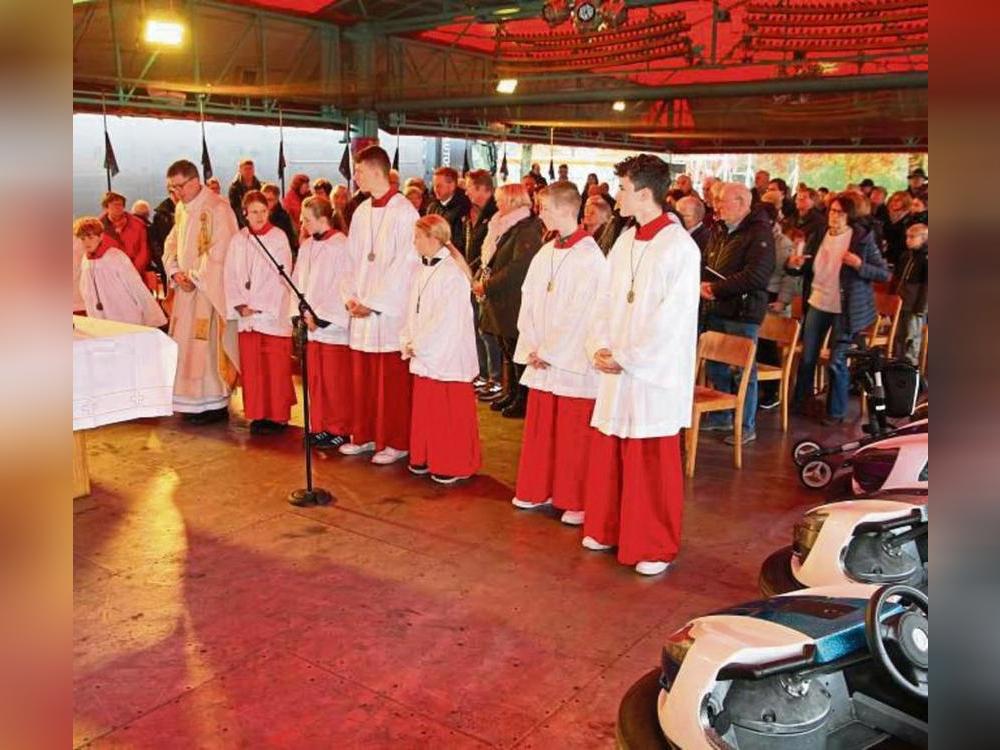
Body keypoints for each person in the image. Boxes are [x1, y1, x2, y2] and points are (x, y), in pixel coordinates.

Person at [582, 154, 700, 576]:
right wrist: (597, 345)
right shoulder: (626, 241)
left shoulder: (680, 248)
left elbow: (674, 320)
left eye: (623, 189)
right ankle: (609, 527)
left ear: (645, 194)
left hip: (651, 375)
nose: (616, 197)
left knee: (648, 460)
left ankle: (651, 543)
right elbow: (604, 299)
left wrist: (629, 358)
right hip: (618, 366)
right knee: (613, 450)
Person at [509, 182, 607, 526]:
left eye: (545, 208)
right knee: (542, 429)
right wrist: (533, 345)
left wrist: (550, 350)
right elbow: (529, 298)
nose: (541, 213)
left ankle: (574, 498)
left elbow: (583, 314)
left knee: (572, 435)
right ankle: (540, 488)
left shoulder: (591, 258)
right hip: (543, 356)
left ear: (567, 210)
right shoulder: (546, 251)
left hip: (570, 362)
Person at [338, 145, 421, 465]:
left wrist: (374, 302)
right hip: (361, 309)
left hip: (387, 314)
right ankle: (365, 434)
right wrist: (351, 297)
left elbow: (407, 264)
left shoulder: (404, 212)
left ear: (375, 171)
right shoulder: (360, 211)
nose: (354, 177)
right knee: (363, 380)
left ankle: (396, 440)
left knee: (391, 383)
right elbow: (350, 260)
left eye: (357, 171)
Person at [790, 193, 890, 424]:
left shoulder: (861, 239)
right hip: (818, 300)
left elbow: (884, 273)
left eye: (840, 212)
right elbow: (806, 267)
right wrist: (794, 265)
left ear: (850, 216)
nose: (834, 216)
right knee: (808, 357)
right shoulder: (819, 235)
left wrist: (859, 265)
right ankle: (801, 401)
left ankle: (835, 411)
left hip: (845, 308)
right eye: (832, 211)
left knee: (837, 361)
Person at [400, 214, 481, 484]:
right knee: (429, 409)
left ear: (434, 239)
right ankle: (426, 454)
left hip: (445, 354)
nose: (414, 243)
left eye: (417, 237)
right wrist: (408, 338)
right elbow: (413, 309)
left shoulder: (452, 274)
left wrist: (420, 345)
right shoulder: (424, 269)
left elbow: (447, 319)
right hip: (425, 350)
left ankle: (452, 461)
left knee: (448, 411)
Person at [162, 159, 241, 423]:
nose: (176, 193)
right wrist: (174, 271)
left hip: (208, 291)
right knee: (186, 347)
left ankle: (213, 403)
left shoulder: (218, 208)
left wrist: (194, 276)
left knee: (205, 348)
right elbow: (171, 243)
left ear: (195, 181)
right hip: (186, 291)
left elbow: (222, 250)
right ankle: (191, 402)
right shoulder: (182, 209)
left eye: (179, 186)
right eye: (171, 188)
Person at [700, 183, 775, 445]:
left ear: (743, 203)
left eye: (723, 201)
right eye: (717, 200)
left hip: (743, 310)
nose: (717, 206)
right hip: (718, 308)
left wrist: (717, 288)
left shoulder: (759, 233)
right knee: (716, 366)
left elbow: (757, 275)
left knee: (743, 372)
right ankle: (720, 415)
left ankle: (745, 424)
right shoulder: (721, 230)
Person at [223, 191, 295, 435]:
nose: (259, 216)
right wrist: (240, 303)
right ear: (245, 213)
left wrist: (260, 304)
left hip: (270, 313)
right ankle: (258, 412)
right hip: (247, 315)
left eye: (263, 211)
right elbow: (230, 275)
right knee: (253, 367)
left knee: (275, 367)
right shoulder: (238, 240)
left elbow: (281, 276)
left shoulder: (278, 237)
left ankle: (278, 415)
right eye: (254, 212)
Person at [474, 183, 544, 418]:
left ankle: (522, 398)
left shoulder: (526, 228)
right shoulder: (504, 225)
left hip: (513, 299)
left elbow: (518, 267)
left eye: (501, 200)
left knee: (517, 350)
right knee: (507, 349)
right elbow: (491, 260)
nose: (497, 204)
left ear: (513, 202)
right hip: (500, 299)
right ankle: (511, 391)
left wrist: (488, 284)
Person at [290, 195, 354, 453]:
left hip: (332, 328)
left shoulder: (341, 246)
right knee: (316, 381)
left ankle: (339, 429)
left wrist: (322, 318)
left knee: (335, 382)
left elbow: (343, 284)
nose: (303, 224)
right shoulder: (307, 246)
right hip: (312, 325)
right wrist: (301, 309)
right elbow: (297, 280)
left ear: (322, 218)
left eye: (306, 219)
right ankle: (320, 425)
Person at [75, 217, 166, 328]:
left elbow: (135, 285)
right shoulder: (86, 260)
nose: (86, 242)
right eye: (82, 238)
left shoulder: (115, 256)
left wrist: (151, 314)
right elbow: (86, 290)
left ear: (101, 236)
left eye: (90, 237)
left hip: (123, 311)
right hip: (100, 315)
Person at [460, 170, 501, 396]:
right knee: (477, 328)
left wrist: (476, 273)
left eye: (470, 187)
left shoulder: (494, 215)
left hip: (486, 281)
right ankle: (484, 374)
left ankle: (494, 378)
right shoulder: (475, 213)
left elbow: (490, 253)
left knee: (487, 331)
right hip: (474, 277)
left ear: (484, 189)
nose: (466, 191)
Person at [892, 223, 928, 365]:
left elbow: (927, 286)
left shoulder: (926, 258)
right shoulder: (906, 255)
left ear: (924, 238)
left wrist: (921, 308)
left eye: (912, 237)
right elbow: (898, 277)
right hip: (902, 301)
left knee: (912, 334)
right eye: (907, 237)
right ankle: (897, 359)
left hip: (915, 305)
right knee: (899, 334)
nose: (908, 240)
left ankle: (910, 362)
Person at [100, 191, 151, 278]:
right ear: (106, 208)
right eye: (114, 204)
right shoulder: (98, 228)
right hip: (110, 276)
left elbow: (144, 250)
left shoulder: (138, 224)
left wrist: (134, 271)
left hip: (136, 273)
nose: (118, 207)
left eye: (120, 204)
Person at [426, 166, 471, 244]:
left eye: (439, 186)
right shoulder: (432, 207)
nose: (435, 189)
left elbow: (459, 240)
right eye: (434, 186)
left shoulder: (464, 208)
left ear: (452, 186)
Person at [261, 183, 298, 256]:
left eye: (269, 200)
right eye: (262, 199)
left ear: (276, 200)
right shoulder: (257, 214)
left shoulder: (282, 218)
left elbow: (289, 242)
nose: (265, 203)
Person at [228, 158, 262, 227]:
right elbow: (236, 209)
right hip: (241, 224)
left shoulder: (260, 186)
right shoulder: (234, 188)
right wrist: (247, 224)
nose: (248, 171)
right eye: (246, 169)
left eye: (250, 169)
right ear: (240, 170)